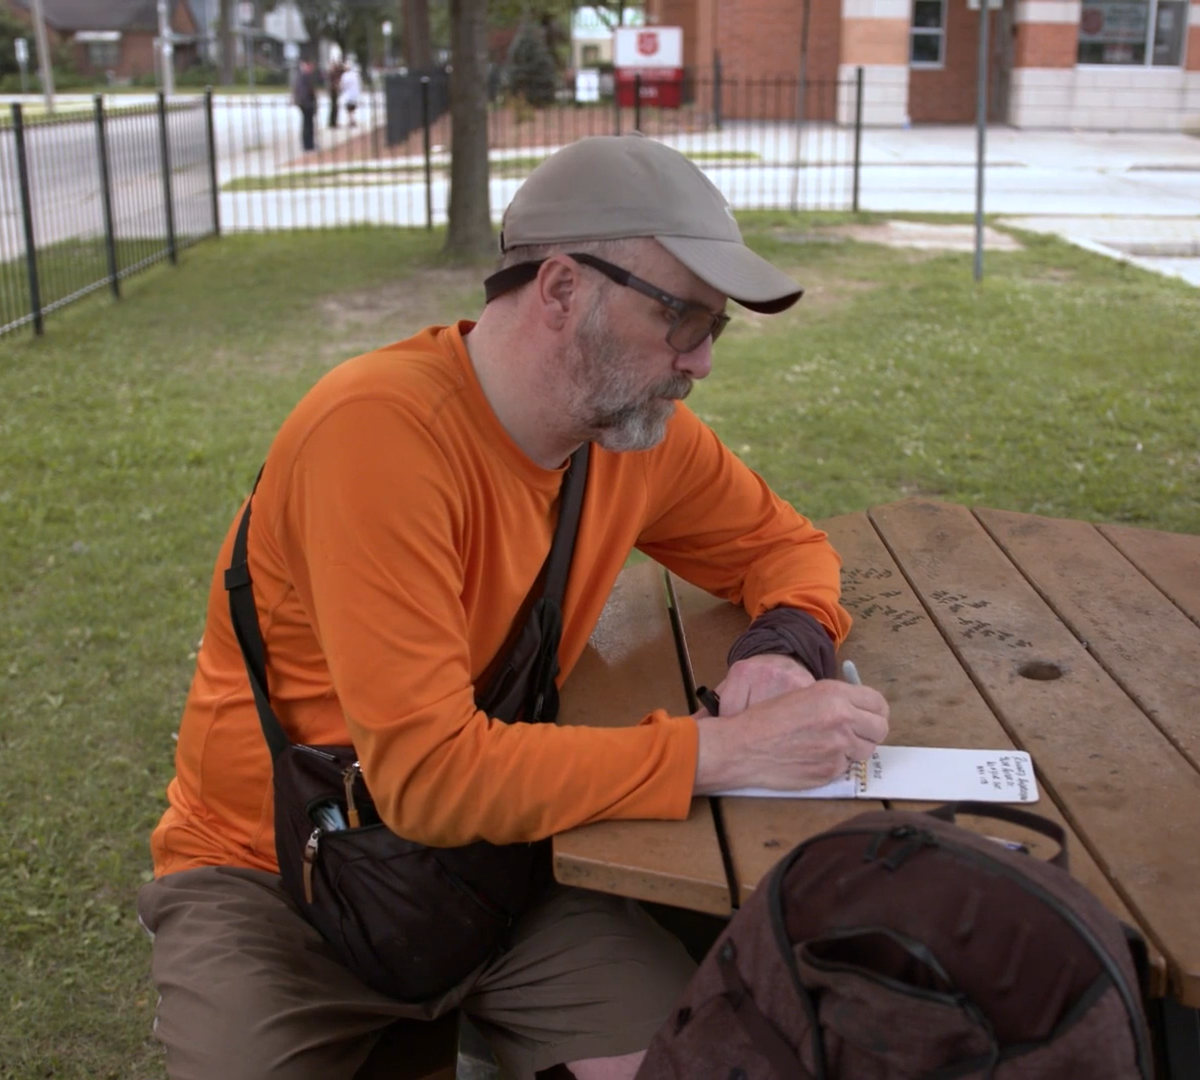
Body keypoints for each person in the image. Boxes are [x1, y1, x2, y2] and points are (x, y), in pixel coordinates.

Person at [139, 135, 891, 1080]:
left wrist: (781, 649)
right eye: (682, 318)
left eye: (718, 328)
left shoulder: (636, 436)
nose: (700, 361)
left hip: (498, 867)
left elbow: (785, 547)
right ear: (563, 288)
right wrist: (728, 750)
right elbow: (428, 778)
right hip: (272, 878)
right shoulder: (375, 438)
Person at [289, 57, 318, 152]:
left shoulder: (302, 75)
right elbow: (307, 90)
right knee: (307, 124)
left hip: (304, 102)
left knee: (308, 123)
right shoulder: (305, 75)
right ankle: (308, 144)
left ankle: (310, 143)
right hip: (306, 103)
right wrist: (309, 102)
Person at [339, 63, 363, 128]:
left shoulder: (345, 76)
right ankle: (352, 120)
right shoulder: (355, 75)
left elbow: (342, 85)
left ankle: (351, 120)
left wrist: (342, 90)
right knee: (352, 108)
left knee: (349, 108)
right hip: (354, 94)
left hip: (348, 94)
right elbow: (359, 84)